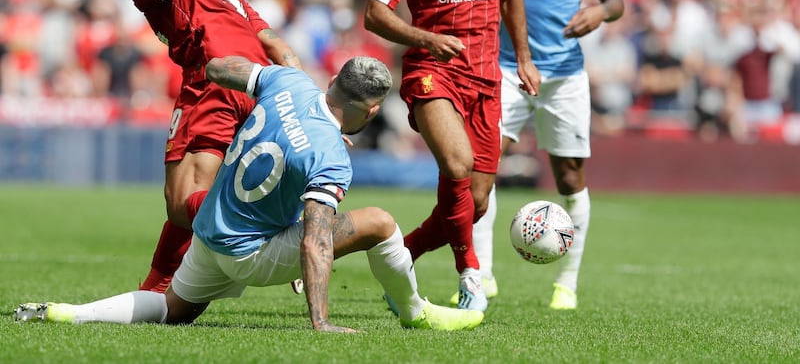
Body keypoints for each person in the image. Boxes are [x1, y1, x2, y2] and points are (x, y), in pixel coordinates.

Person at [14, 55, 484, 332]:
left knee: (174, 311)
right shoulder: (331, 156)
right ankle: (415, 313)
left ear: (333, 81)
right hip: (251, 252)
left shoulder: (289, 80)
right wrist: (320, 320)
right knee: (381, 222)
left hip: (210, 230)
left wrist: (233, 72)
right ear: (373, 108)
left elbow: (220, 66)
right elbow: (316, 240)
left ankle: (68, 313)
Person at [363, 0, 540, 312]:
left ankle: (402, 253)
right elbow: (374, 15)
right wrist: (424, 39)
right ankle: (470, 274)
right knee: (457, 165)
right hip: (432, 73)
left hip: (486, 79)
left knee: (476, 202)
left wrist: (523, 56)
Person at [463, 0, 625, 310]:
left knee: (569, 176)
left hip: (565, 76)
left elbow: (615, 1)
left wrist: (597, 11)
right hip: (507, 69)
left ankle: (566, 284)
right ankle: (483, 274)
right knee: (483, 170)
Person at [121, 0, 302, 293]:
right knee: (202, 189)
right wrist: (308, 106)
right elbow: (279, 48)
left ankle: (275, 226)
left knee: (180, 203)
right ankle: (158, 283)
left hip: (213, 79)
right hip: (259, 88)